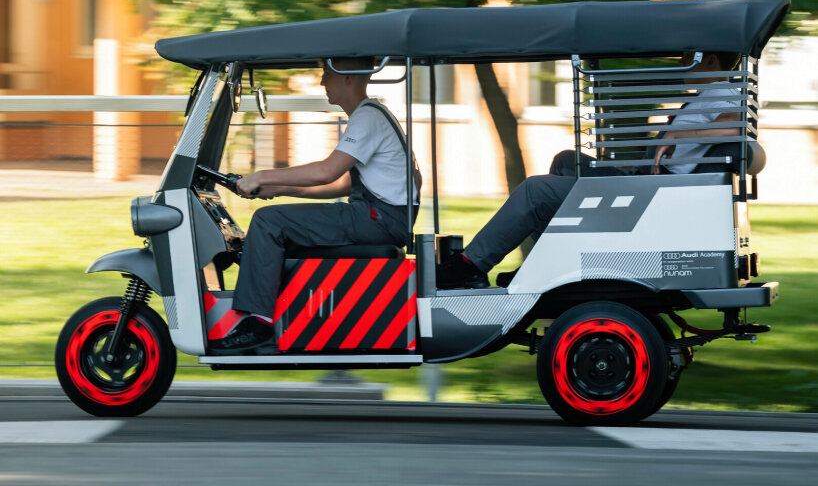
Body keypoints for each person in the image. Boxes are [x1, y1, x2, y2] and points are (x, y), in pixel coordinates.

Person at [436, 51, 742, 289]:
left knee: (535, 190)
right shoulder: (707, 96)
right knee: (566, 161)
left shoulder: (723, 92)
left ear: (711, 60)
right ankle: (548, 261)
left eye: (689, 58)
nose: (681, 62)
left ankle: (468, 266)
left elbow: (732, 129)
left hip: (659, 196)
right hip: (651, 186)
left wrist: (677, 135)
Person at [210, 57, 420, 353]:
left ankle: (258, 324)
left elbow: (326, 172)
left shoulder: (367, 117)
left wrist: (262, 175)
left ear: (348, 76)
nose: (323, 81)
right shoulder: (372, 114)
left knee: (268, 222)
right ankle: (277, 308)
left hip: (378, 218)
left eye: (326, 74)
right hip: (380, 216)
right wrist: (279, 188)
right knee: (275, 222)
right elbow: (342, 184)